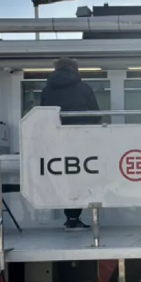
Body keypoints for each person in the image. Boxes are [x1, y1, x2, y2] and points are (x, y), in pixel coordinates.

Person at [40, 56, 102, 232]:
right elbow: (96, 115)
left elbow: (42, 115)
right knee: (81, 175)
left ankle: (70, 218)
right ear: (75, 69)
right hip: (80, 139)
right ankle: (75, 218)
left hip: (56, 140)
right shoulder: (83, 88)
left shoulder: (47, 90)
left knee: (64, 176)